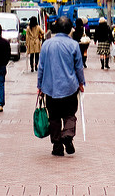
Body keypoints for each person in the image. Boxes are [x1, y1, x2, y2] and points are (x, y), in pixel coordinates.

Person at [37, 16, 85, 156]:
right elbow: (79, 67)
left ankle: (57, 146)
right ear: (70, 29)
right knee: (70, 115)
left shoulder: (46, 44)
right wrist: (81, 83)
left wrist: (39, 85)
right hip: (69, 87)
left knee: (54, 117)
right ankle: (68, 135)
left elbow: (41, 67)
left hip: (50, 88)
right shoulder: (74, 45)